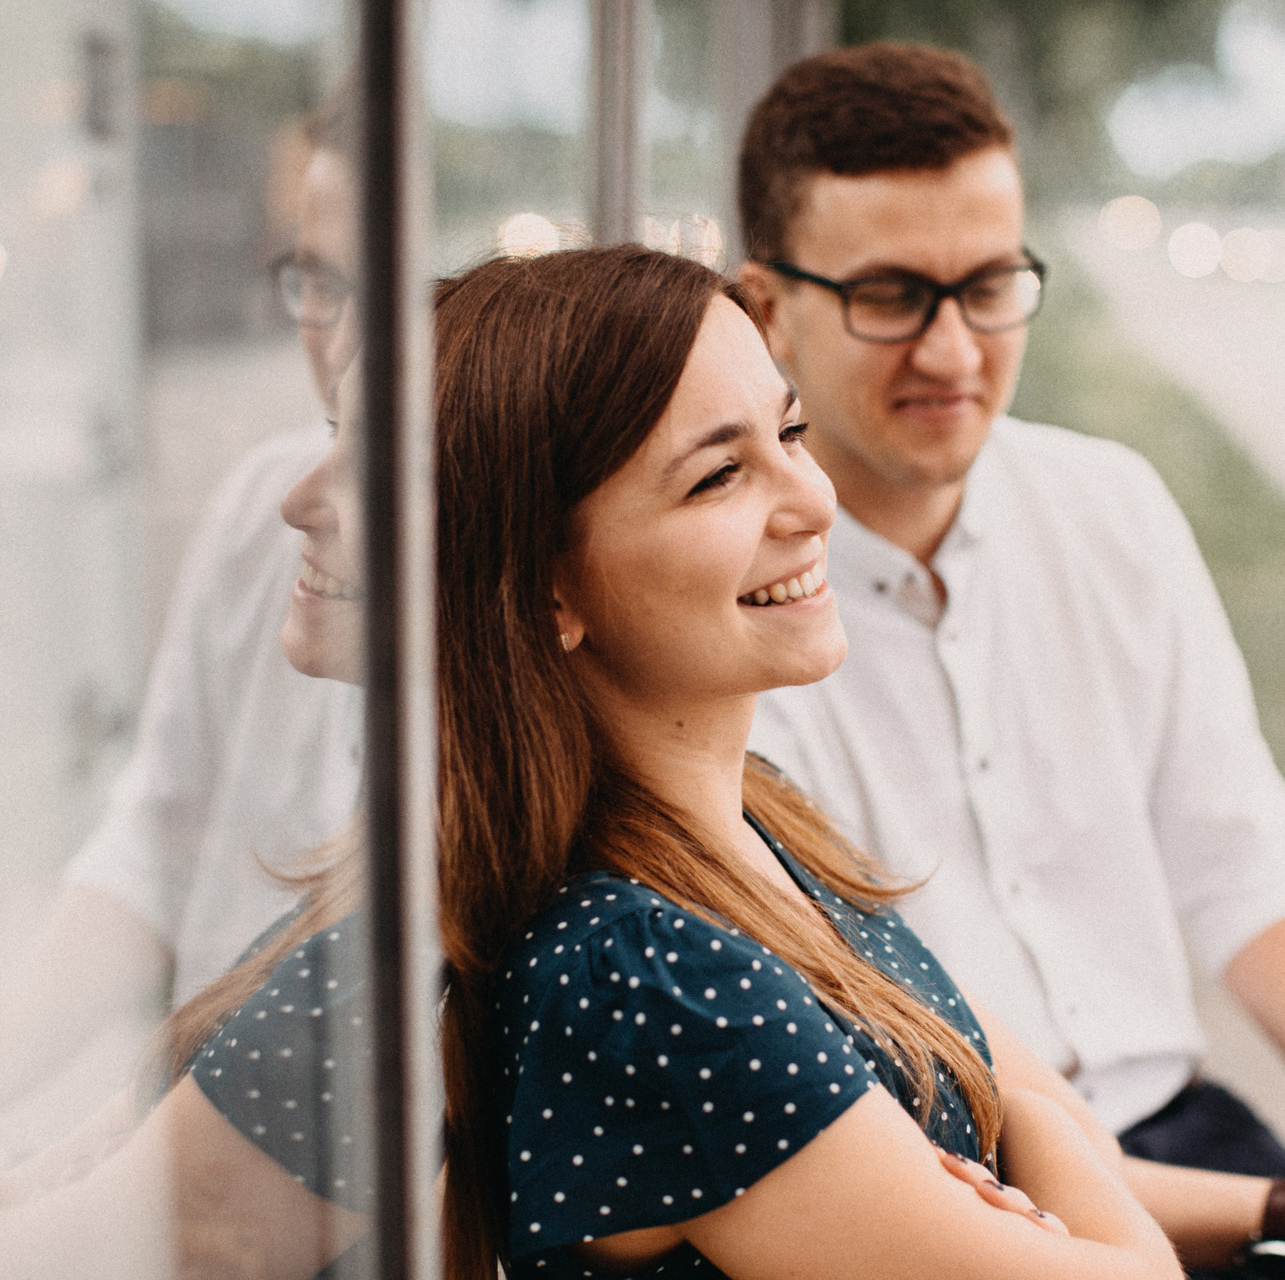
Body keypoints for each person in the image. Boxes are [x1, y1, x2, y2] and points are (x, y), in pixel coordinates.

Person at [736, 43, 1285, 1280]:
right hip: (959, 1185)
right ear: (766, 309)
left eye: (987, 285)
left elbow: (1238, 857)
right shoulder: (735, 619)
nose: (954, 351)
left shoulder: (1113, 507)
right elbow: (889, 1133)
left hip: (1187, 1127)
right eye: (890, 294)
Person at [430, 245, 1180, 1279]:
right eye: (720, 475)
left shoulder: (756, 823)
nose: (814, 500)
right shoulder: (646, 976)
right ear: (549, 587)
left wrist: (1033, 1155)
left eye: (790, 432)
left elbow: (1056, 1115)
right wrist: (1037, 1143)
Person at [0, 87, 366, 1152]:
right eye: (320, 283)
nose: (339, 341)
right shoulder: (262, 507)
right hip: (196, 1149)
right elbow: (160, 833)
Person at [0, 361, 377, 1278]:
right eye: (315, 284)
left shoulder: (361, 981)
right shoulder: (339, 944)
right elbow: (159, 835)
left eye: (386, 462)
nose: (299, 501)